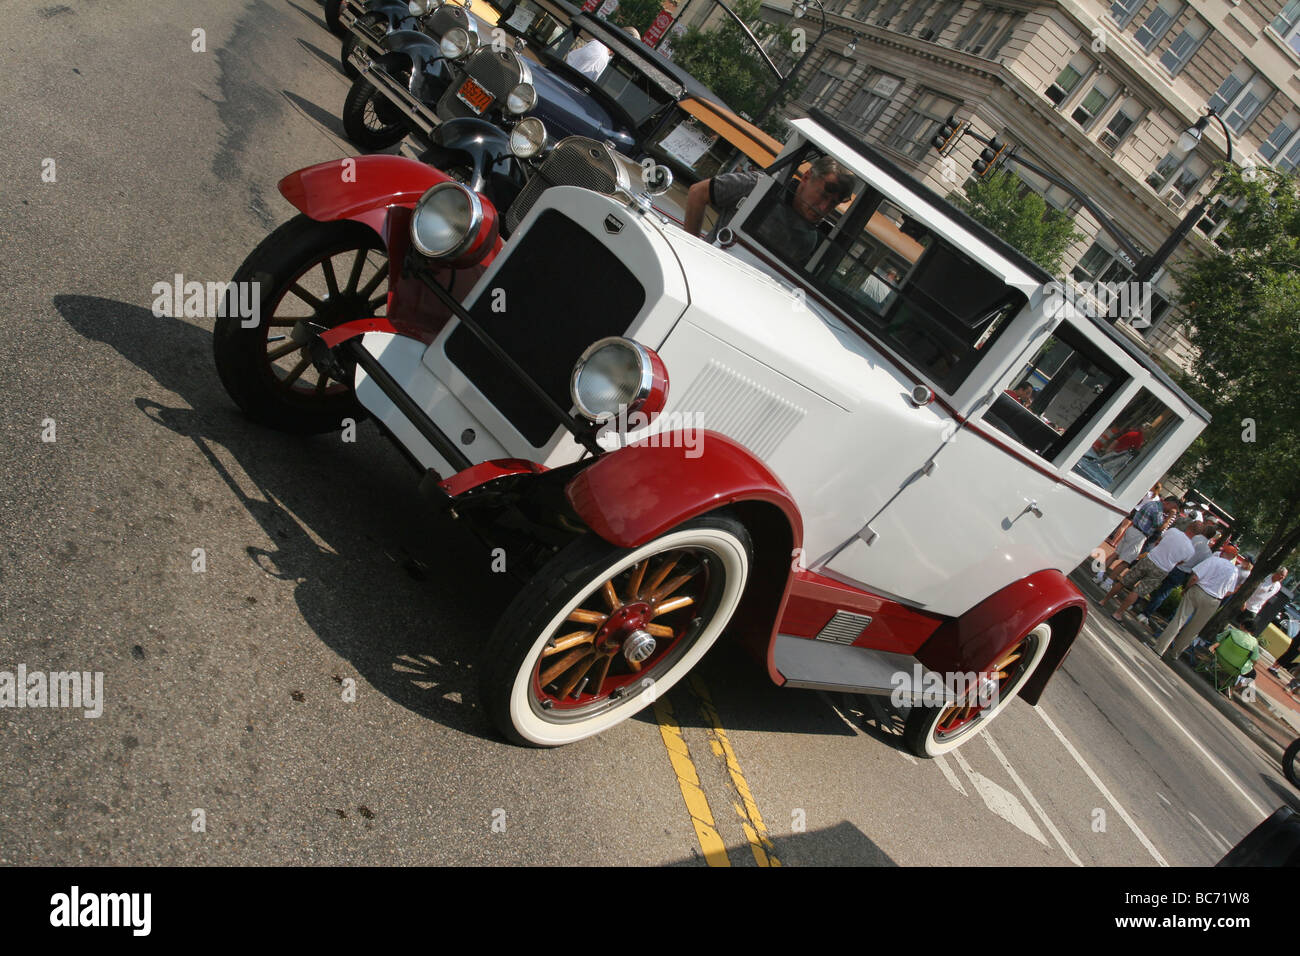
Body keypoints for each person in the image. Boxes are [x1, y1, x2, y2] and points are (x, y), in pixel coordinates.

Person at [683, 154, 854, 261]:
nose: (824, 207)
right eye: (823, 195)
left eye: (833, 203)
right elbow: (699, 192)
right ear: (807, 177)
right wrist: (692, 251)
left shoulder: (807, 241)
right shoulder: (759, 187)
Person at [1153, 544, 1241, 662]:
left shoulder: (1214, 560)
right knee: (1194, 629)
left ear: (1223, 552)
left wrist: (1186, 588)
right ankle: (1175, 653)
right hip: (1214, 600)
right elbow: (1230, 591)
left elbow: (1195, 577)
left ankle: (1160, 648)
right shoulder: (1234, 571)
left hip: (1198, 590)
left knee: (1179, 620)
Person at [1102, 521, 1196, 622]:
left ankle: (1103, 601)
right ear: (1196, 534)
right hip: (1162, 569)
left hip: (1151, 559)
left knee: (1124, 581)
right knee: (1138, 591)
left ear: (1189, 527)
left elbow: (1159, 540)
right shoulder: (1191, 550)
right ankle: (1118, 613)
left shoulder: (1173, 531)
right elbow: (1180, 562)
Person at [1137, 520, 1210, 623]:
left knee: (1149, 583)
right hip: (1181, 572)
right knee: (1162, 593)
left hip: (1170, 564)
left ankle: (1134, 602)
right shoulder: (1207, 553)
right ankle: (1145, 614)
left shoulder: (1192, 538)